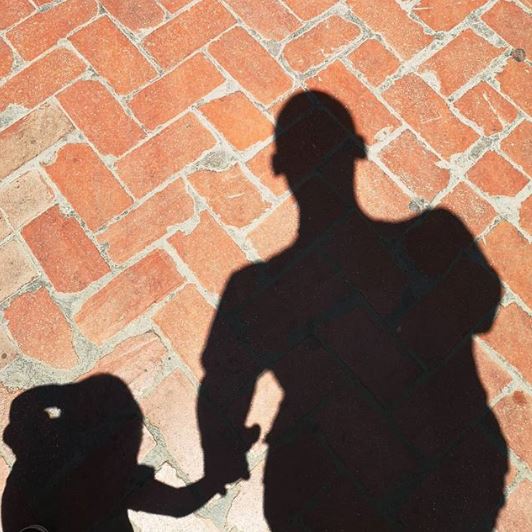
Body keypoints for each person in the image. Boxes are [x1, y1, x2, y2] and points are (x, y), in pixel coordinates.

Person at [197, 91, 508, 530]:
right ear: (357, 151)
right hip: (443, 478)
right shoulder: (437, 236)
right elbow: (484, 312)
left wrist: (221, 459)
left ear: (279, 167)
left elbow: (221, 388)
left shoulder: (253, 290)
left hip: (318, 494)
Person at [2, 374, 219, 531]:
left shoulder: (17, 503)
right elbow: (178, 505)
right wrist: (215, 480)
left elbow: (178, 505)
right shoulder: (102, 483)